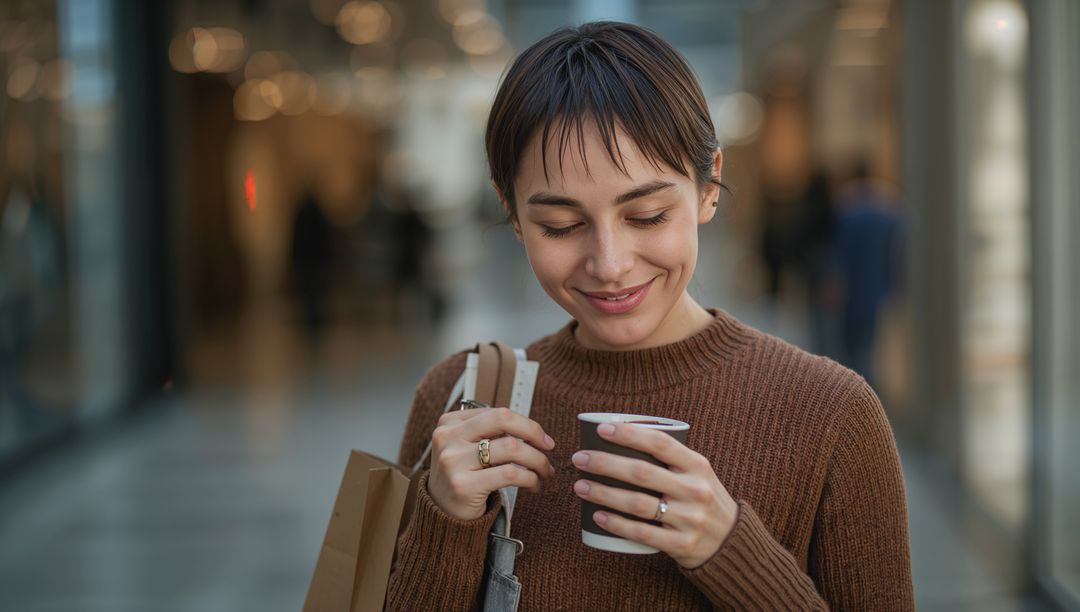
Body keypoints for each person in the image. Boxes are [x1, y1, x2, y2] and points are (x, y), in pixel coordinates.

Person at [387, 22, 913, 611]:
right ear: (511, 211)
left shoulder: (832, 415)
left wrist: (729, 549)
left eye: (647, 215)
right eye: (560, 226)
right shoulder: (463, 404)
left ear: (709, 184)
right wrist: (445, 520)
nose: (609, 265)